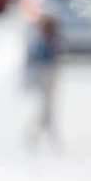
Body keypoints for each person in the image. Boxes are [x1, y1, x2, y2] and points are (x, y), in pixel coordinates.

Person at [27, 13, 62, 150]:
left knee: (47, 109)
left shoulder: (51, 41)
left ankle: (42, 137)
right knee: (45, 109)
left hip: (49, 76)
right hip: (45, 76)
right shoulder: (43, 43)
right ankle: (39, 137)